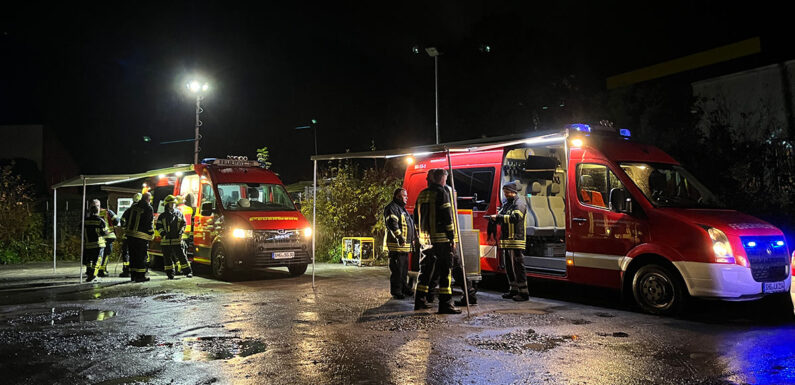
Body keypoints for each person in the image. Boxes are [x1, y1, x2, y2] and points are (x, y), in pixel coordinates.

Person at [413, 168, 461, 314]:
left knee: (425, 271)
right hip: (441, 239)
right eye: (445, 179)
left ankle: (419, 301)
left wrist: (419, 235)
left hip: (425, 239)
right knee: (445, 271)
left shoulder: (422, 194)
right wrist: (452, 237)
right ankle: (445, 304)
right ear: (442, 179)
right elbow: (447, 216)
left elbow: (416, 218)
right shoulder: (442, 192)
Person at [487, 181, 529, 301]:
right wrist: (494, 219)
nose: (505, 194)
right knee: (509, 267)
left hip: (516, 240)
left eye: (506, 192)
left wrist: (499, 217)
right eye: (504, 192)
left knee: (518, 267)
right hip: (506, 241)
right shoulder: (506, 204)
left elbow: (516, 218)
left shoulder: (519, 204)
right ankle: (513, 290)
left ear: (513, 192)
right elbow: (502, 217)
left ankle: (524, 293)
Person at [384, 188, 416, 299]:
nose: (407, 198)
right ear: (398, 196)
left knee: (403, 271)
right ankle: (396, 291)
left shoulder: (402, 209)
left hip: (404, 247)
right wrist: (400, 238)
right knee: (397, 271)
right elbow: (392, 224)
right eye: (404, 196)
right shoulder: (391, 208)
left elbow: (408, 225)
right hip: (397, 246)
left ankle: (404, 288)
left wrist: (412, 239)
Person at [156, 195, 192, 279]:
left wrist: (180, 233)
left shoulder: (179, 213)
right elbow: (158, 226)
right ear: (166, 204)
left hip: (177, 239)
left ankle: (187, 272)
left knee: (182, 256)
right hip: (166, 241)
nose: (172, 205)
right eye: (171, 203)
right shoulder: (162, 216)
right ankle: (170, 274)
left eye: (173, 203)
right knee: (167, 258)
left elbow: (184, 224)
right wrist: (163, 234)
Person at [124, 192, 154, 282]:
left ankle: (133, 275)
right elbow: (149, 222)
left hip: (130, 236)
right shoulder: (148, 208)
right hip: (141, 236)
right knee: (141, 256)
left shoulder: (133, 207)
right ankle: (140, 276)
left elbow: (125, 218)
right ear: (148, 199)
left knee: (133, 256)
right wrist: (151, 233)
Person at [92, 199, 119, 277]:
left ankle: (94, 270)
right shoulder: (107, 212)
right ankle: (102, 270)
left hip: (95, 237)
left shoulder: (90, 214)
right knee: (106, 253)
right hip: (108, 236)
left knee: (96, 254)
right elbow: (117, 220)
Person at [118, 193, 142, 277]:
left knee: (126, 253)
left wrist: (125, 228)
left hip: (128, 236)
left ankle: (126, 270)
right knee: (136, 253)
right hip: (138, 237)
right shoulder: (142, 211)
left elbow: (122, 221)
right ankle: (137, 271)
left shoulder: (128, 210)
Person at [82, 205, 107, 282]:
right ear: (98, 211)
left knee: (89, 260)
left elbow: (80, 229)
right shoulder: (100, 220)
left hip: (88, 244)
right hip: (98, 244)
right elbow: (104, 232)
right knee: (97, 261)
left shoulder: (85, 221)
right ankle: (93, 275)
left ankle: (89, 273)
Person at [178, 193, 196, 275]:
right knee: (184, 251)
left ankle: (180, 269)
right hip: (188, 233)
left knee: (180, 252)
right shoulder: (189, 209)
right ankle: (185, 268)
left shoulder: (177, 209)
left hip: (180, 233)